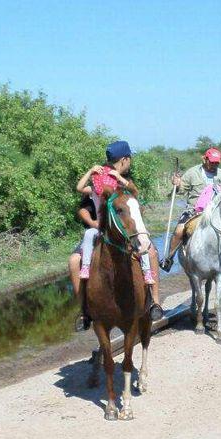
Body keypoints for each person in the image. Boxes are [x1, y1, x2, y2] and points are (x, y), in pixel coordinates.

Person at [73, 140, 162, 330]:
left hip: (126, 229)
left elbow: (135, 193)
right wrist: (90, 171)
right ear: (124, 159)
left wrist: (120, 179)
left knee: (150, 251)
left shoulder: (124, 181)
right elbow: (82, 195)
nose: (130, 163)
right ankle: (84, 309)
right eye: (129, 159)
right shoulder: (99, 181)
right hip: (103, 229)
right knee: (75, 260)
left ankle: (154, 300)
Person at [159, 147, 221, 274]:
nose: (214, 165)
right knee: (179, 231)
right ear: (205, 159)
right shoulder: (192, 173)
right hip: (195, 211)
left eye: (217, 163)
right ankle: (168, 259)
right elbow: (181, 190)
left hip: (217, 211)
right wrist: (177, 185)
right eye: (212, 162)